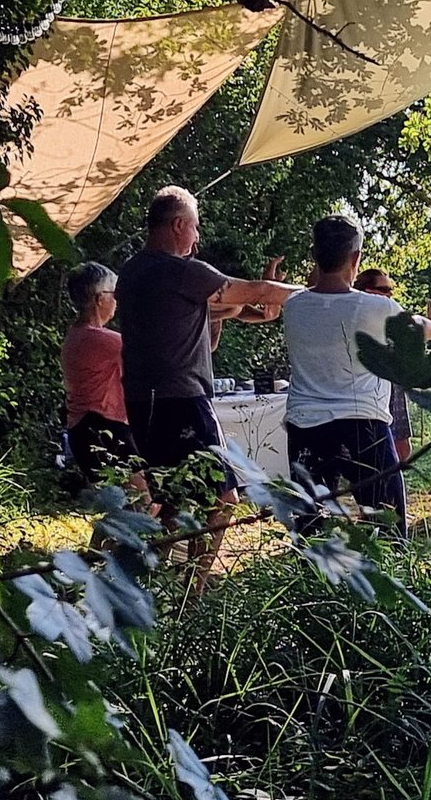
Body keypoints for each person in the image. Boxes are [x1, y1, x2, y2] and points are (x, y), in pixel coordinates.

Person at [117, 186, 302, 583]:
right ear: (179, 224)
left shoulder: (133, 273)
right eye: (195, 228)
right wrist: (319, 295)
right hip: (180, 400)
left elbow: (233, 313)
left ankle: (154, 592)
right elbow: (257, 293)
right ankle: (193, 595)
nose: (198, 238)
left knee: (166, 502)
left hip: (141, 403)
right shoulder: (180, 271)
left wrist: (255, 306)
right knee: (224, 499)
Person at [283, 218, 409, 531]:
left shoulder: (293, 306)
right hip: (362, 425)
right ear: (355, 259)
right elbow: (421, 331)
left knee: (311, 527)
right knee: (389, 524)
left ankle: (313, 581)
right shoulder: (377, 307)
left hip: (306, 427)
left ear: (315, 255)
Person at [354, 267, 431, 463]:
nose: (390, 294)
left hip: (391, 387)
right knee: (376, 454)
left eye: (391, 289)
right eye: (384, 289)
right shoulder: (358, 313)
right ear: (366, 291)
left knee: (402, 448)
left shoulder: (385, 313)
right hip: (368, 394)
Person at [60, 262, 149, 506]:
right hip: (101, 428)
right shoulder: (99, 339)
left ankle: (102, 545)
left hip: (86, 430)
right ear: (100, 299)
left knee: (120, 507)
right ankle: (116, 545)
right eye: (114, 294)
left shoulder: (77, 335)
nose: (117, 301)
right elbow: (152, 352)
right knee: (144, 502)